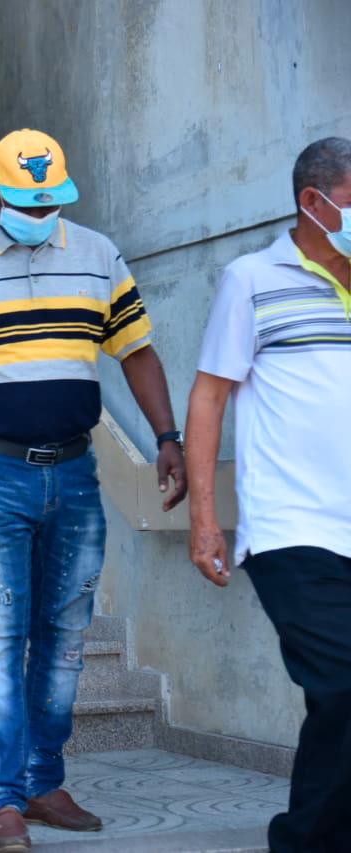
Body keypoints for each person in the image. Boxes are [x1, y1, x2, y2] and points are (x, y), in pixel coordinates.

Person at [0, 129, 187, 852]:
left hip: (76, 471)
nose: (42, 210)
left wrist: (168, 436)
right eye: (28, 200)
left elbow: (137, 349)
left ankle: (43, 777)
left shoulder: (96, 254)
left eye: (52, 199)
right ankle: (2, 801)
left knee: (64, 635)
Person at [185, 137, 351, 853]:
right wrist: (204, 520)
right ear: (312, 202)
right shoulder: (250, 278)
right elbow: (209, 397)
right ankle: (304, 840)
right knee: (344, 683)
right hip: (293, 526)